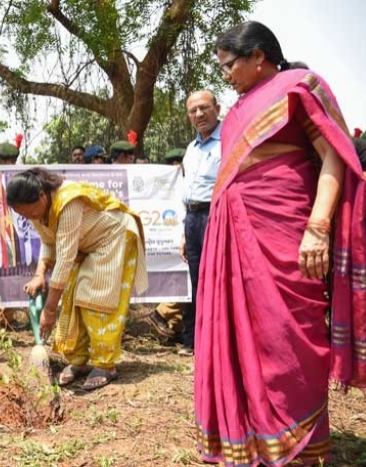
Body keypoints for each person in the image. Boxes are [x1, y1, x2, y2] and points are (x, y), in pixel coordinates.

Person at [195, 21, 366, 466]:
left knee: (290, 333)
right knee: (242, 334)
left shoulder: (297, 86)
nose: (227, 75)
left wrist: (319, 225)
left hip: (286, 226)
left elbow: (334, 153)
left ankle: (303, 444)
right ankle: (255, 439)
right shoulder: (236, 111)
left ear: (259, 56)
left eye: (231, 65)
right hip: (234, 229)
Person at [7, 168, 148, 391]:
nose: (31, 218)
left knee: (96, 300)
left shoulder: (68, 201)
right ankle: (79, 361)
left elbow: (64, 259)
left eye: (32, 213)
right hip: (87, 246)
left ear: (42, 196)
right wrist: (39, 275)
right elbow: (48, 241)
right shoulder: (37, 210)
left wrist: (50, 310)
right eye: (24, 215)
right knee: (72, 300)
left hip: (113, 237)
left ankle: (105, 365)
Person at [177, 89, 222, 357]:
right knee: (196, 280)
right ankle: (192, 339)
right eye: (193, 110)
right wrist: (184, 231)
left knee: (217, 278)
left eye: (204, 108)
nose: (199, 114)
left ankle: (218, 340)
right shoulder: (191, 149)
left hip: (216, 216)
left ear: (217, 108)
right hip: (192, 219)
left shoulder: (228, 141)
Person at [146, 148, 188, 340]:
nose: (177, 167)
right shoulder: (165, 187)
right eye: (173, 164)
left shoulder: (191, 181)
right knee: (189, 278)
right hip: (175, 239)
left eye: (179, 162)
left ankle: (175, 326)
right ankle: (163, 312)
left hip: (183, 235)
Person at [0, 139, 30, 331]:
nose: (11, 164)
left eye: (13, 160)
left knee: (17, 271)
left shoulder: (17, 178)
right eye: (7, 160)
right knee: (6, 273)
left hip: (17, 230)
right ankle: (4, 318)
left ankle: (9, 316)